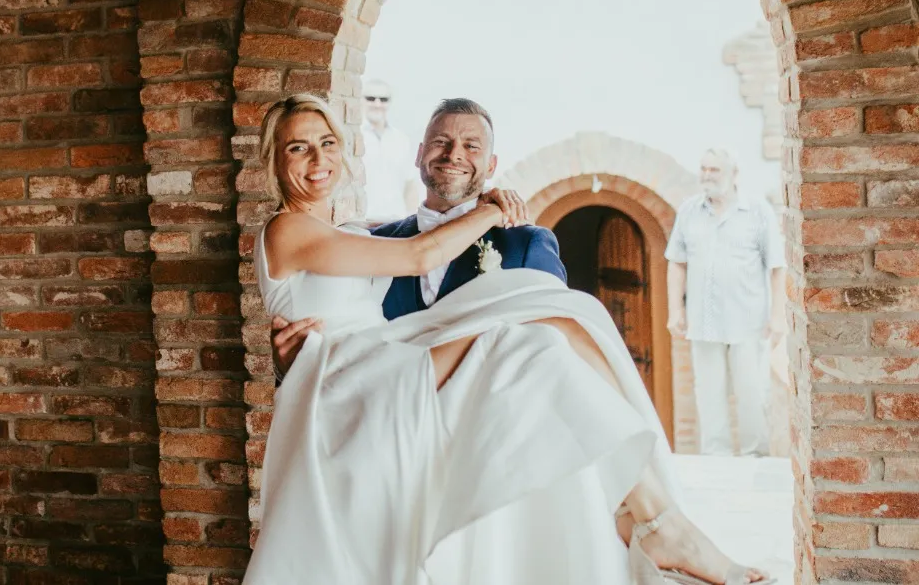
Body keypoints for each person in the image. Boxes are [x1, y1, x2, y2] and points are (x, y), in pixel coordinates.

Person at [243, 94, 773, 585]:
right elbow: (419, 255)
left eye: (327, 143)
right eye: (298, 147)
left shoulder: (356, 233)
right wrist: (492, 209)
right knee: (542, 332)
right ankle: (657, 523)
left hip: (387, 370)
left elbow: (339, 282)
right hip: (360, 382)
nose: (318, 158)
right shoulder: (290, 229)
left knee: (557, 328)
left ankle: (653, 516)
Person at [665, 148, 785, 457]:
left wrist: (778, 316)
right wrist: (675, 310)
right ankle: (715, 463)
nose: (706, 175)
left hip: (748, 322)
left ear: (734, 174)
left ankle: (756, 459)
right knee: (708, 396)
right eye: (703, 168)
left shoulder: (757, 211)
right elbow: (676, 262)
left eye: (714, 170)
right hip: (703, 323)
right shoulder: (689, 211)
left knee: (752, 395)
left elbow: (776, 267)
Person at [361, 79, 421, 222]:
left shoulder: (401, 140)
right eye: (371, 98)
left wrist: (411, 220)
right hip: (362, 221)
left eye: (383, 99)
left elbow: (410, 184)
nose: (377, 104)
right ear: (361, 100)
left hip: (396, 221)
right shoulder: (353, 137)